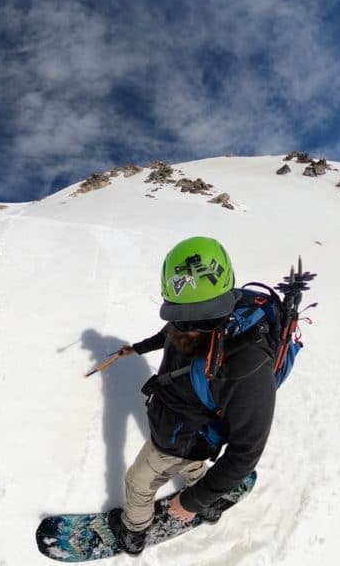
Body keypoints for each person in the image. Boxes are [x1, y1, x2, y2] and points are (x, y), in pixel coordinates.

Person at [106, 236, 277, 555]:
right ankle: (208, 499)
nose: (188, 328)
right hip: (182, 430)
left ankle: (133, 532)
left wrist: (191, 502)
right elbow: (168, 333)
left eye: (204, 317)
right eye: (181, 317)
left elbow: (246, 452)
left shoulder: (247, 366)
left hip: (183, 434)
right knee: (188, 462)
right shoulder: (193, 312)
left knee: (138, 481)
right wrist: (139, 348)